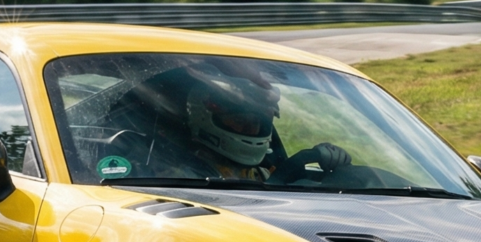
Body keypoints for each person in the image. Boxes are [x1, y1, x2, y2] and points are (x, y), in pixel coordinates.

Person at [147, 64, 351, 182]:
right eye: (239, 120)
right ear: (203, 117)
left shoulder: (259, 172)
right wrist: (280, 180)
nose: (250, 129)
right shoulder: (179, 177)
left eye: (258, 122)